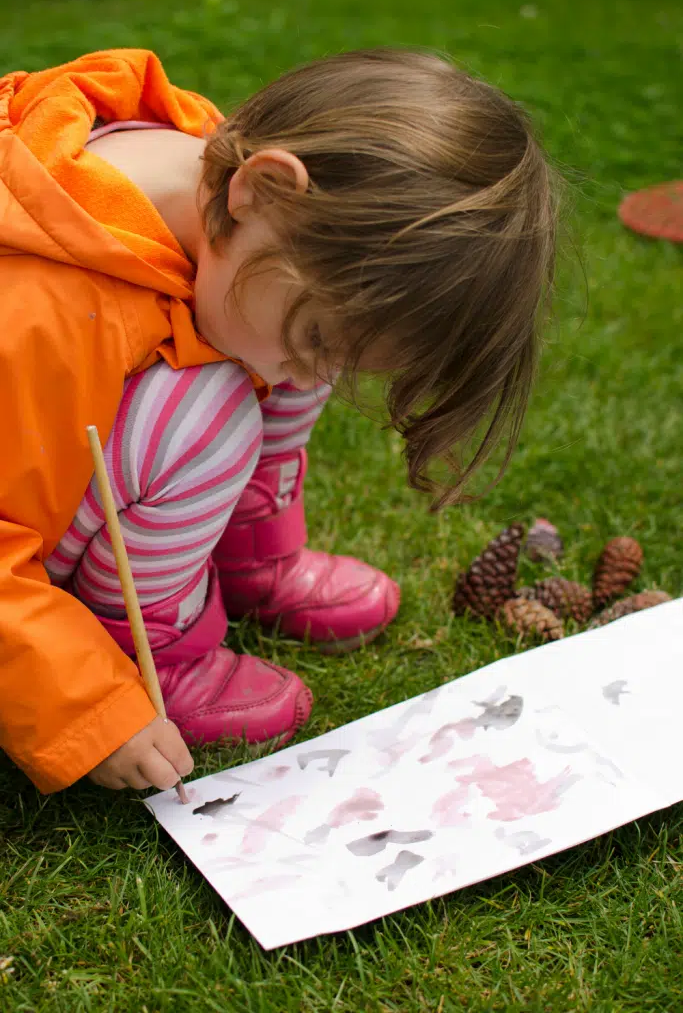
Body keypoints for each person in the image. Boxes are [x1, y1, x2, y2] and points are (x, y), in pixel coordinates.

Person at [0, 47, 557, 796]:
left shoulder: (232, 202)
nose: (322, 375)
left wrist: (307, 350)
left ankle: (249, 556)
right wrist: (89, 705)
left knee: (275, 346)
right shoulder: (37, 311)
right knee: (208, 410)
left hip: (70, 466)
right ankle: (148, 648)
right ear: (261, 188)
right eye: (324, 343)